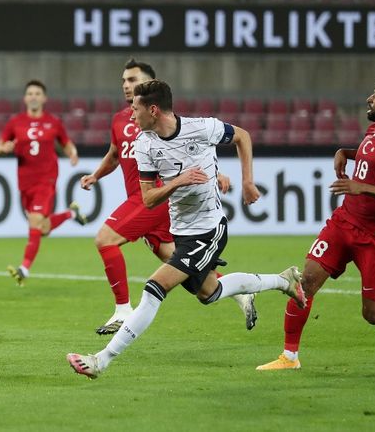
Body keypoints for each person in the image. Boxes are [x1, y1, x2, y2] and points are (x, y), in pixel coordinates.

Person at [67, 80, 305, 379]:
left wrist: (247, 181)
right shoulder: (144, 144)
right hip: (181, 231)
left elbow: (242, 136)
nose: (132, 114)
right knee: (209, 292)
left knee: (154, 288)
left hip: (209, 229)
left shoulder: (202, 128)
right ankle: (283, 281)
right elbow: (149, 199)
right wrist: (178, 181)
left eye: (136, 108)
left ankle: (100, 360)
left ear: (153, 110)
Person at [256, 72, 375, 371]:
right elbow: (370, 160)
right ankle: (289, 357)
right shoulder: (374, 130)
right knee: (303, 285)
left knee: (374, 314)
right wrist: (343, 153)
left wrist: (363, 187)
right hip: (343, 222)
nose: (370, 99)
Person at [82, 58, 268, 335]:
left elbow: (185, 153)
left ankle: (123, 311)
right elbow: (114, 154)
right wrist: (96, 175)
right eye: (123, 81)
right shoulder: (121, 120)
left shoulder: (158, 121)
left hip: (155, 198)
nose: (126, 85)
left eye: (132, 80)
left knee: (105, 239)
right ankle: (241, 293)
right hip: (147, 200)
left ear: (148, 84)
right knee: (190, 274)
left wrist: (216, 175)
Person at [0, 80, 87, 286]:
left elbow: (66, 142)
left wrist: (73, 154)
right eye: (30, 93)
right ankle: (71, 213)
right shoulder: (15, 122)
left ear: (44, 98)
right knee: (42, 228)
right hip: (25, 182)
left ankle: (24, 268)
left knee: (35, 222)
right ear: (25, 98)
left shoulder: (53, 122)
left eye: (38, 93)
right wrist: (4, 149)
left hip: (46, 179)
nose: (34, 96)